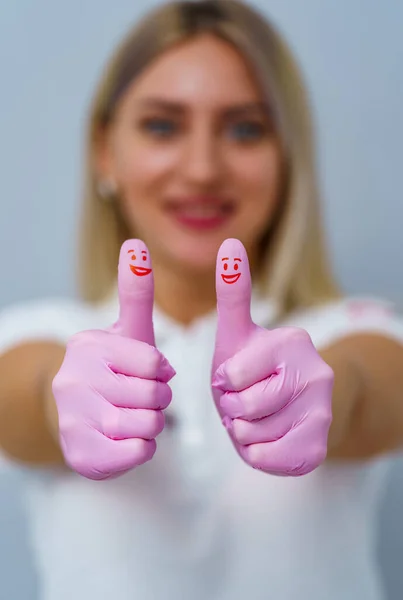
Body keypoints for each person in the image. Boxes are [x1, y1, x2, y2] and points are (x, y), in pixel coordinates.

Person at [0, 1, 402, 599]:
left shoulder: (355, 329)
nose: (202, 167)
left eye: (245, 128)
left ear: (287, 156)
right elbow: (24, 398)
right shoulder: (37, 334)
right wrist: (61, 395)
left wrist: (326, 392)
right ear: (105, 150)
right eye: (163, 126)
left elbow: (372, 385)